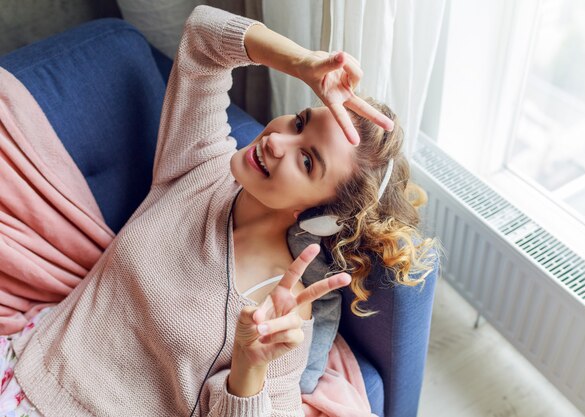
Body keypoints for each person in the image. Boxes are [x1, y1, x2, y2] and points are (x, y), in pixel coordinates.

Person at [1, 4, 436, 417]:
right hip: (25, 363)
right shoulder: (199, 163)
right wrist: (302, 64)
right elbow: (204, 37)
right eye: (300, 121)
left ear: (324, 213)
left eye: (307, 161)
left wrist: (251, 368)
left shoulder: (282, 307)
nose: (277, 141)